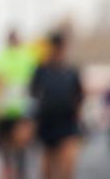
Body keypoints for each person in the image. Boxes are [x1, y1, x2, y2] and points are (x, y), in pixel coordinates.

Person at [0, 29, 38, 178]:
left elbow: (34, 82)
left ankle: (20, 173)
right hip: (4, 110)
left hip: (22, 109)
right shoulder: (0, 58)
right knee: (6, 147)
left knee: (21, 145)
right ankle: (9, 171)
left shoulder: (27, 57)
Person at [30, 31, 83, 179]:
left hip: (67, 123)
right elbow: (33, 95)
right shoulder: (41, 70)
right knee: (48, 168)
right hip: (48, 123)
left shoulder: (72, 71)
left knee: (68, 165)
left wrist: (78, 116)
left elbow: (79, 96)